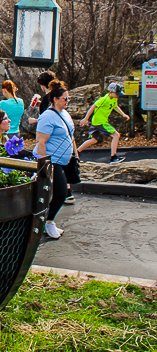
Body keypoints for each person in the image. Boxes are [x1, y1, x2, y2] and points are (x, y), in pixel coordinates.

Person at [34, 80, 78, 239]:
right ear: (54, 100)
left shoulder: (65, 114)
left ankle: (47, 221)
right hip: (52, 160)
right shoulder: (47, 117)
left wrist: (75, 154)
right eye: (65, 99)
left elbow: (70, 134)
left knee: (58, 192)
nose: (67, 101)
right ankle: (48, 221)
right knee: (60, 193)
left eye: (68, 98)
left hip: (65, 160)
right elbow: (41, 142)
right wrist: (43, 163)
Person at [78, 83, 130, 164]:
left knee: (93, 140)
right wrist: (85, 118)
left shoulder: (114, 99)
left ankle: (76, 153)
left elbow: (115, 106)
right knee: (116, 135)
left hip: (96, 122)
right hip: (100, 122)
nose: (118, 96)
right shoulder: (104, 99)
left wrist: (123, 114)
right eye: (117, 94)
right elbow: (93, 107)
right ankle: (113, 158)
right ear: (111, 92)